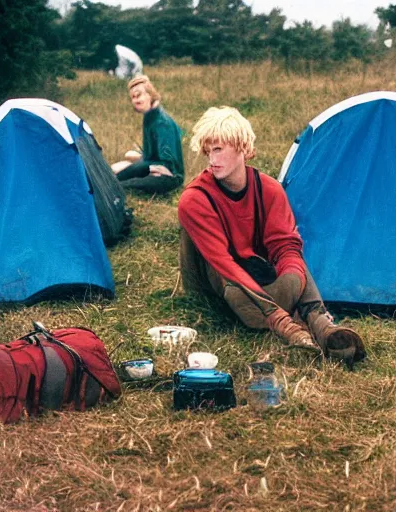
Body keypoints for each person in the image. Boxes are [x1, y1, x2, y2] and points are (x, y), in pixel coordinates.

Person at [177, 106, 366, 366]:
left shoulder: (269, 190)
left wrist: (292, 279)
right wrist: (282, 322)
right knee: (237, 293)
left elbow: (286, 247)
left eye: (218, 149)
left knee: (293, 264)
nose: (212, 159)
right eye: (208, 151)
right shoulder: (195, 199)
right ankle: (297, 321)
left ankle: (320, 323)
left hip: (259, 272)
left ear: (242, 148)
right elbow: (223, 263)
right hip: (219, 284)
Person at [111, 76, 184, 194]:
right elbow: (150, 156)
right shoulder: (149, 116)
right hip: (153, 165)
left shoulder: (162, 123)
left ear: (150, 95)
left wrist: (142, 170)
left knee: (126, 184)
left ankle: (112, 184)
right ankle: (112, 180)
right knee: (120, 168)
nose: (135, 100)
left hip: (170, 176)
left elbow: (168, 163)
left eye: (138, 95)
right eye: (133, 97)